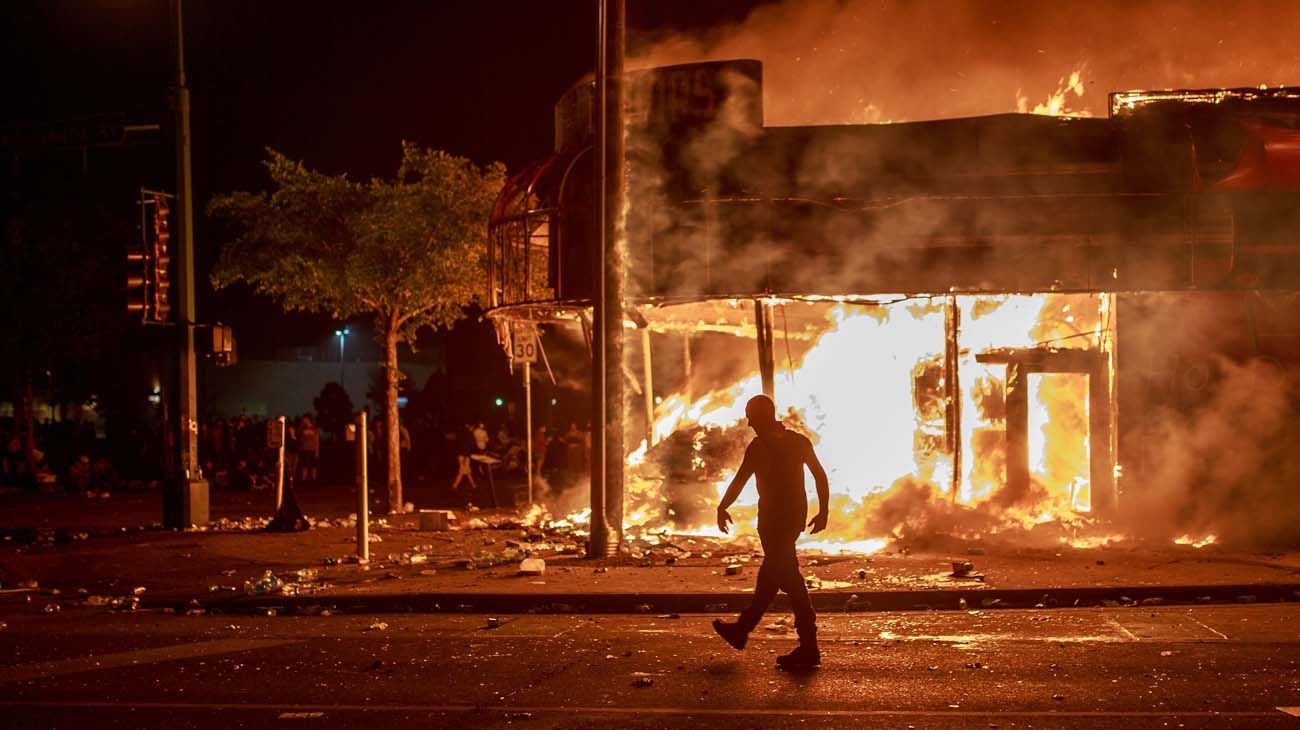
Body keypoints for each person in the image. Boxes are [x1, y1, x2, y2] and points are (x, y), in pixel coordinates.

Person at [712, 394, 830, 670]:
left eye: (751, 416)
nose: (749, 422)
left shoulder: (759, 447)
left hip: (774, 522)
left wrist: (722, 506)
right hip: (792, 520)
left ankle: (808, 648)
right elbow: (819, 475)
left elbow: (740, 479)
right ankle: (743, 630)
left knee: (789, 580)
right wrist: (823, 511)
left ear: (763, 416)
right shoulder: (797, 442)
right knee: (777, 576)